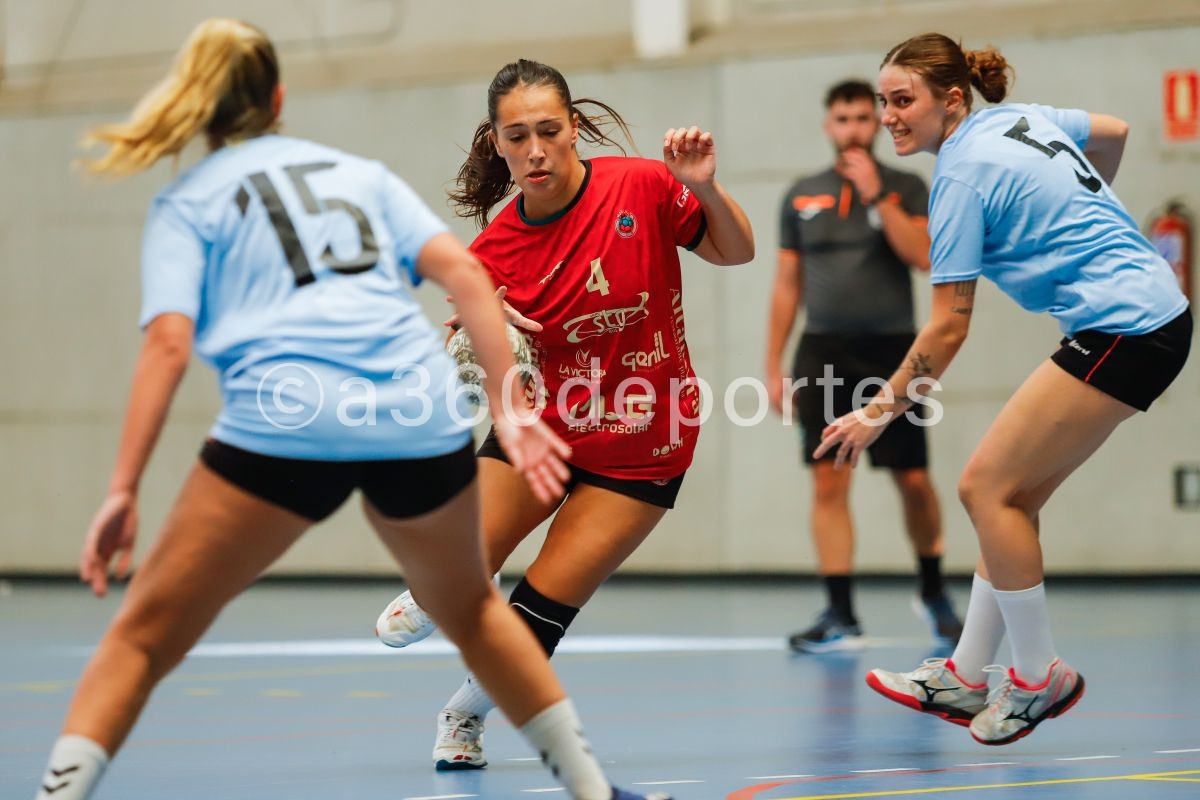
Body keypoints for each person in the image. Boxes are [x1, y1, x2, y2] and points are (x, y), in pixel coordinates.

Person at [33, 20, 669, 800]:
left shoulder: (186, 200)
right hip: (412, 413)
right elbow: (469, 283)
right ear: (279, 99)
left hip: (290, 417)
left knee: (138, 639)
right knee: (476, 608)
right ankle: (591, 789)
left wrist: (124, 489)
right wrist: (515, 407)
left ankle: (57, 791)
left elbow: (167, 347)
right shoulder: (354, 172)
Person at [373, 58, 754, 770]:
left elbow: (736, 251)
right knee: (457, 574)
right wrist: (475, 344)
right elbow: (474, 358)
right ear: (496, 143)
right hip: (545, 429)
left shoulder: (641, 184)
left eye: (549, 130)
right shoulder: (490, 254)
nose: (536, 149)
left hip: (647, 440)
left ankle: (464, 713)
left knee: (543, 606)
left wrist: (702, 186)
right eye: (517, 136)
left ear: (574, 128)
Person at [815, 33, 1191, 745]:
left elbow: (948, 330)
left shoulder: (959, 179)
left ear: (951, 99)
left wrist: (877, 410)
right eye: (883, 101)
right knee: (1009, 501)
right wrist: (1075, 221)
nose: (890, 115)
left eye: (904, 101)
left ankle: (1037, 676)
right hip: (1148, 315)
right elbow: (1113, 132)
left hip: (1127, 326)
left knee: (984, 488)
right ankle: (965, 672)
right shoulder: (1018, 119)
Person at [766, 79, 962, 654]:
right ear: (829, 126)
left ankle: (932, 591)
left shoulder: (906, 184)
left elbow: (925, 258)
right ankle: (840, 611)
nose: (853, 127)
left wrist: (879, 197)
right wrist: (773, 364)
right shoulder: (800, 195)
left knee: (913, 479)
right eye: (842, 118)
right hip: (823, 353)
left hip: (894, 355)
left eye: (861, 117)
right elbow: (785, 285)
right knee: (829, 482)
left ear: (876, 124)